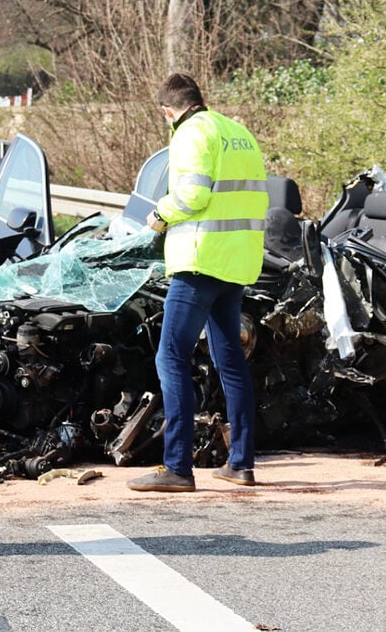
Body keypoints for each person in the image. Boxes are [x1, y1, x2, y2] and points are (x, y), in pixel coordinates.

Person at [128, 73, 268, 493]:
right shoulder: (238, 133)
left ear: (168, 111)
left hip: (199, 261)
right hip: (236, 263)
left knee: (171, 357)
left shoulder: (190, 133)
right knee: (231, 362)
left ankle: (177, 467)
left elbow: (192, 195)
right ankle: (240, 463)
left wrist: (159, 215)